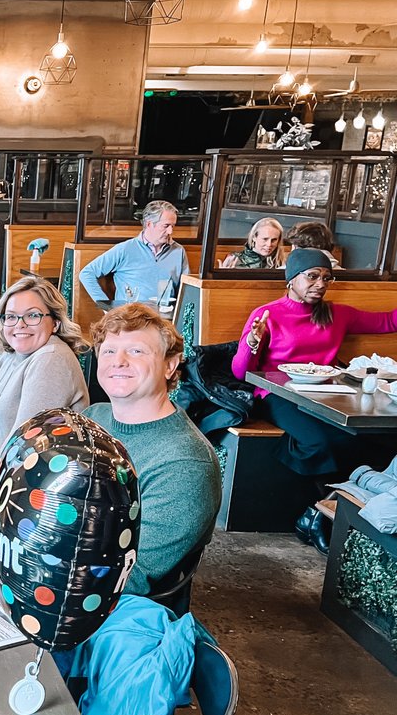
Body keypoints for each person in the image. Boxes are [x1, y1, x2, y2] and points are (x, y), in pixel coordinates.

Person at [84, 304, 220, 597]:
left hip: (106, 616)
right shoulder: (94, 417)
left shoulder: (185, 463)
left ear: (170, 365)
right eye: (108, 351)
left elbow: (129, 577)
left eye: (136, 351)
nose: (118, 361)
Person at [231, 248, 397, 478]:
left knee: (375, 437)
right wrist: (251, 342)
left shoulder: (337, 314)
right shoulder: (267, 314)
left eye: (326, 278)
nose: (320, 284)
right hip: (277, 394)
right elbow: (241, 373)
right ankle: (316, 501)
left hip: (327, 393)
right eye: (313, 276)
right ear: (291, 279)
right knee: (319, 442)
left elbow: (388, 321)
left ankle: (349, 495)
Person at [0, 276, 89, 491]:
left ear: (56, 322)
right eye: (11, 316)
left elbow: (23, 444)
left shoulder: (51, 358)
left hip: (33, 487)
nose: (20, 324)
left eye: (33, 316)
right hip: (1, 472)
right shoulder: (8, 355)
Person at [79, 200, 189, 310]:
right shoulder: (124, 249)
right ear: (149, 224)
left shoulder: (178, 251)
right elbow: (86, 273)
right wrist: (107, 308)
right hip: (131, 320)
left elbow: (186, 289)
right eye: (166, 226)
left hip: (166, 320)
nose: (170, 231)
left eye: (173, 226)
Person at [220, 217, 285, 269]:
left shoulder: (281, 262)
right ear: (254, 237)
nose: (269, 244)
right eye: (265, 239)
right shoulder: (235, 259)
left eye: (274, 240)